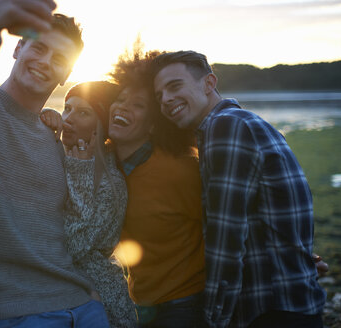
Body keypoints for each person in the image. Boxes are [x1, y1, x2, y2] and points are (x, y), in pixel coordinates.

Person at [0, 1, 110, 327]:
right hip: (14, 314)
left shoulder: (52, 134)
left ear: (66, 75)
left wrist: (93, 297)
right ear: (18, 47)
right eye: (39, 48)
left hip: (85, 308)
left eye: (58, 59)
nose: (45, 62)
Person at [152, 50, 326, 328]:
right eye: (159, 95)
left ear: (209, 83)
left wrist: (214, 318)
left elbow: (226, 236)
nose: (165, 99)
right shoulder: (238, 122)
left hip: (272, 311)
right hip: (291, 301)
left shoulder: (227, 126)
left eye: (174, 86)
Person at [108, 50, 206, 328]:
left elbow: (234, 220)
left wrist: (295, 257)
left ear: (152, 125)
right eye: (120, 99)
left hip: (185, 304)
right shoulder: (105, 164)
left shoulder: (180, 170)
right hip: (140, 303)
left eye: (138, 105)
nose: (122, 107)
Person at [42, 81, 137, 327]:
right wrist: (42, 119)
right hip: (64, 298)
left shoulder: (111, 182)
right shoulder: (61, 157)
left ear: (101, 125)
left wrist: (80, 174)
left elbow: (73, 247)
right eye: (67, 108)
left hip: (103, 304)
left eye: (84, 112)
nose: (69, 118)